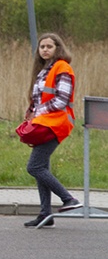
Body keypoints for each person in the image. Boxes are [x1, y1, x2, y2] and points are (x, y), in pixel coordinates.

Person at [22, 33, 82, 228]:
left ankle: (69, 199)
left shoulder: (62, 68)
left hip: (56, 123)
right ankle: (45, 214)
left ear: (58, 48)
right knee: (42, 167)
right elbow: (41, 98)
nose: (45, 49)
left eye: (49, 46)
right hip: (45, 123)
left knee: (35, 167)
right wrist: (31, 110)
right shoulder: (44, 70)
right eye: (42, 47)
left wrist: (38, 110)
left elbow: (61, 100)